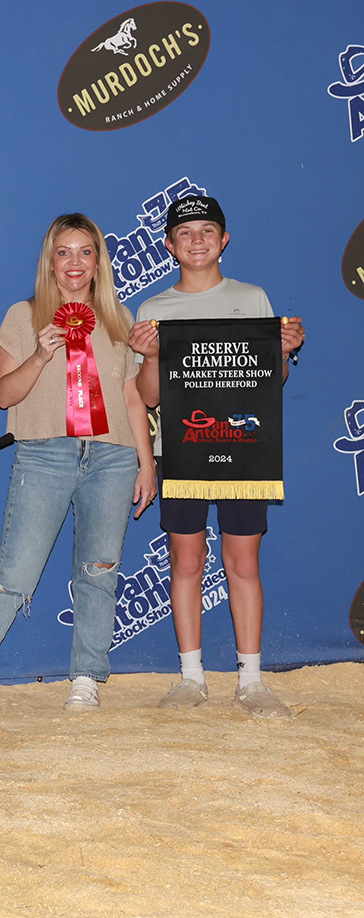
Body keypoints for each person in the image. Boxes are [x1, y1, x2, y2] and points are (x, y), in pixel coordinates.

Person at [0, 215, 156, 711]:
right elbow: (5, 396)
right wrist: (38, 355)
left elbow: (132, 397)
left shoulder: (119, 317)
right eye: (63, 252)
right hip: (45, 453)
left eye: (85, 251)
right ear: (49, 261)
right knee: (15, 571)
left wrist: (147, 463)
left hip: (114, 456)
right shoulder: (23, 315)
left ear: (98, 261)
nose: (75, 262)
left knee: (99, 569)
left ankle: (86, 679)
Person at [128, 195, 305, 718]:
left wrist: (285, 350)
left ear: (224, 240)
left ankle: (251, 680)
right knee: (186, 562)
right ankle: (191, 677)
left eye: (208, 230)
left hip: (245, 451)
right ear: (168, 245)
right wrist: (153, 355)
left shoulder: (252, 298)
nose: (197, 239)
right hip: (183, 452)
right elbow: (150, 394)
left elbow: (271, 381)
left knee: (243, 563)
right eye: (185, 232)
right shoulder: (153, 310)